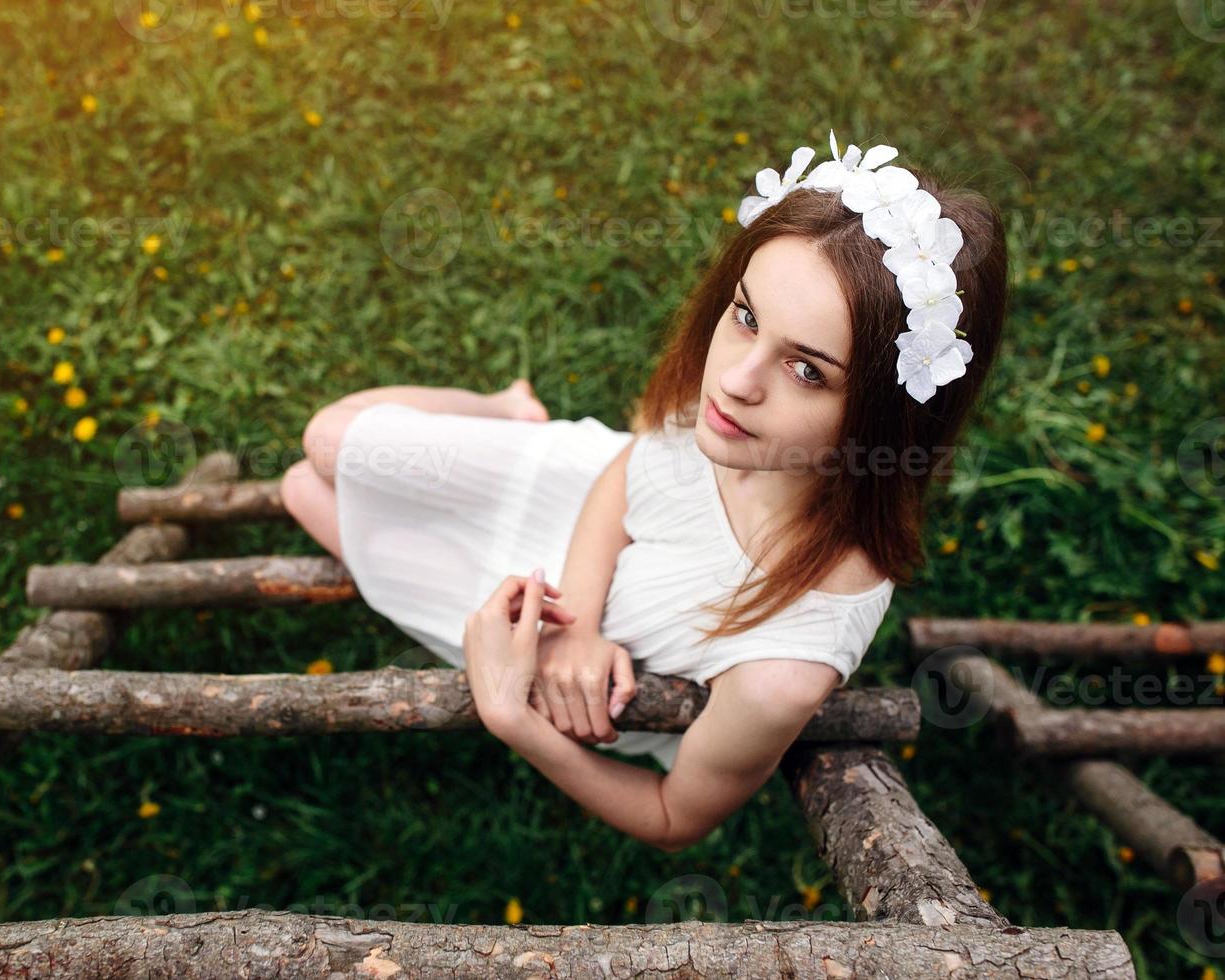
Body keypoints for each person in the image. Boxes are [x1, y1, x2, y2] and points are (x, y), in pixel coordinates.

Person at [281, 131, 1008, 852]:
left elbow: (672, 817)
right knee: (325, 444)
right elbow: (626, 473)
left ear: (889, 416)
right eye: (746, 315)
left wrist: (512, 717)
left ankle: (490, 461)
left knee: (304, 495)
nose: (733, 380)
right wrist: (578, 626)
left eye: (808, 370)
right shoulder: (740, 417)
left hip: (534, 614)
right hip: (571, 523)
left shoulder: (783, 670)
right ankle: (507, 409)